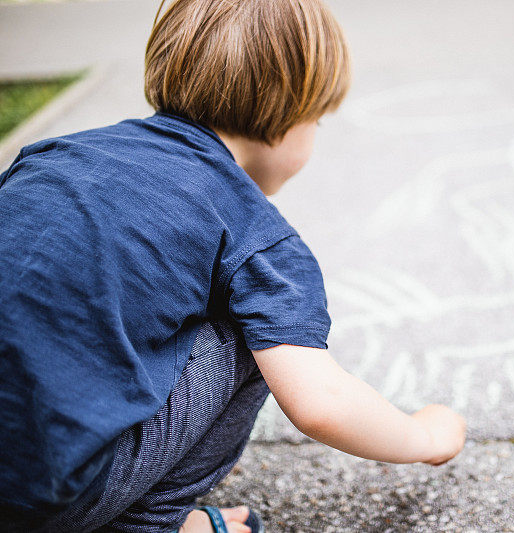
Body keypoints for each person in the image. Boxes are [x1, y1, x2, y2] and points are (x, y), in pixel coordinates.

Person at [0, 0, 467, 531]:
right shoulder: (255, 233)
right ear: (293, 113)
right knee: (261, 331)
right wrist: (426, 436)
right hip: (41, 501)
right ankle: (148, 524)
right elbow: (318, 403)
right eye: (318, 118)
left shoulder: (52, 154)